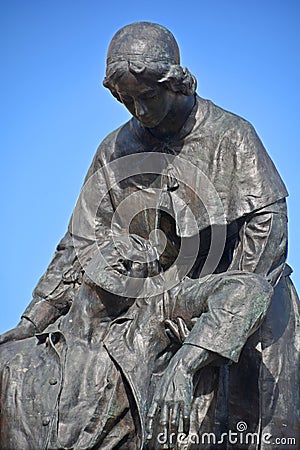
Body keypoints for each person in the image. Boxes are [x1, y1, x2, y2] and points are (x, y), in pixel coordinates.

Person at [0, 22, 299, 450]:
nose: (138, 110)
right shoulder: (115, 149)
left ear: (176, 84)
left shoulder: (232, 136)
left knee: (260, 374)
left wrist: (213, 322)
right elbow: (77, 246)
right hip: (151, 305)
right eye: (126, 100)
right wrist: (32, 321)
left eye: (147, 97)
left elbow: (267, 227)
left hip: (242, 296)